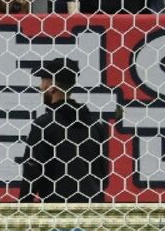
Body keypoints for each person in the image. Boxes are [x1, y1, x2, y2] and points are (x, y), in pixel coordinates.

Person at [20, 58, 108, 203]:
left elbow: (33, 173)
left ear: (52, 86)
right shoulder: (96, 125)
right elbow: (103, 175)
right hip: (92, 210)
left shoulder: (44, 124)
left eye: (43, 81)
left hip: (58, 211)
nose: (41, 87)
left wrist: (23, 207)